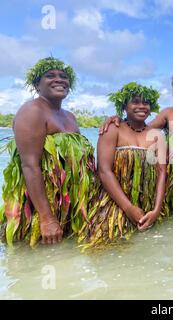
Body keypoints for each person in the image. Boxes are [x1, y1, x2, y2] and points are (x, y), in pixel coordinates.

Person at [0, 57, 97, 247]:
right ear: (37, 84)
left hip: (68, 204)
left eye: (63, 76)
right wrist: (47, 218)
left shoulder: (69, 116)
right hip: (40, 208)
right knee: (33, 260)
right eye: (50, 76)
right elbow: (30, 166)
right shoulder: (32, 111)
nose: (59, 79)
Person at [99, 68, 173, 215]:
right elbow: (143, 130)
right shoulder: (168, 113)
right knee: (172, 213)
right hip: (171, 175)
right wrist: (118, 119)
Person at [79, 82, 166, 249]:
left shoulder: (157, 136)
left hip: (147, 204)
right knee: (106, 247)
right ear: (124, 106)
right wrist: (128, 208)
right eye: (135, 102)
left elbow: (162, 172)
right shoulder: (113, 129)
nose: (142, 106)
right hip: (115, 202)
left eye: (146, 103)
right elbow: (104, 171)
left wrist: (156, 209)